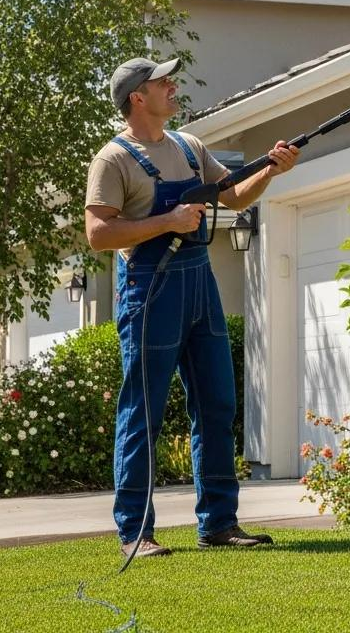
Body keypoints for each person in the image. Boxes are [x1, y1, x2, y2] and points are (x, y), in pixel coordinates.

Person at [85, 57, 299, 558]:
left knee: (218, 404)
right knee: (143, 413)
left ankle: (219, 524)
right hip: (148, 290)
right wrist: (168, 221)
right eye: (163, 81)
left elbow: (236, 195)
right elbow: (98, 234)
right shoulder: (113, 160)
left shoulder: (189, 146)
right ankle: (136, 534)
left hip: (200, 284)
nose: (172, 86)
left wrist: (270, 168)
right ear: (137, 96)